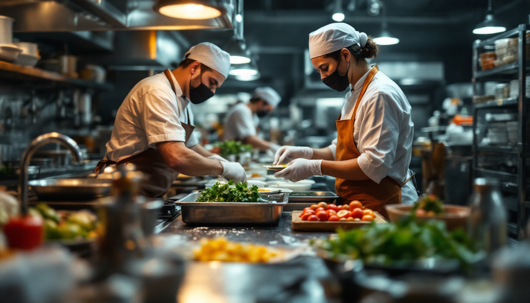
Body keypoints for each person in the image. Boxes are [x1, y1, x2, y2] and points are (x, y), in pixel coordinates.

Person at [274, 23, 418, 216]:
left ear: (345, 55)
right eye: (319, 71)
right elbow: (342, 151)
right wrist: (305, 153)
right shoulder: (355, 92)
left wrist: (315, 167)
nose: (324, 77)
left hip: (384, 206)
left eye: (325, 68)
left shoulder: (379, 94)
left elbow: (374, 165)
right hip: (360, 204)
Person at [95, 42, 246, 198]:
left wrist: (220, 160)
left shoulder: (183, 99)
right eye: (212, 82)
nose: (212, 91)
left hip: (146, 193)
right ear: (195, 68)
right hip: (123, 192)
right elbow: (177, 157)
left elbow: (191, 147)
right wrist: (223, 168)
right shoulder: (157, 91)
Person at [223, 87, 281, 152]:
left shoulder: (254, 116)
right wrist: (272, 147)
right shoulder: (241, 110)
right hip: (232, 155)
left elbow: (254, 138)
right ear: (260, 102)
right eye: (267, 110)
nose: (268, 113)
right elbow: (249, 139)